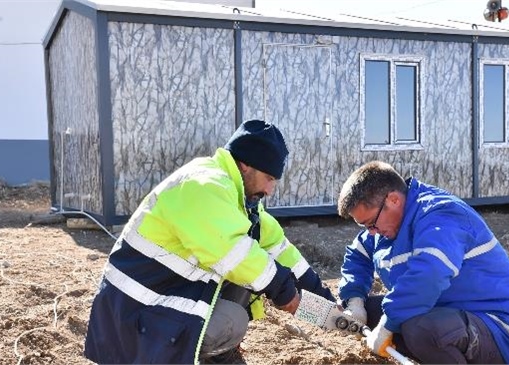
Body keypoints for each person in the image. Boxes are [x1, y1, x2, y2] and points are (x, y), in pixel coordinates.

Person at [84, 119, 335, 364]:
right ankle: (207, 357)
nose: (270, 190)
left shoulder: (242, 202)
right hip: (132, 317)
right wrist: (287, 295)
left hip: (160, 301)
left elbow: (283, 254)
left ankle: (216, 354)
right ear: (245, 165)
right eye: (269, 178)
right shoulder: (203, 185)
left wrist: (329, 309)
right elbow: (239, 258)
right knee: (233, 316)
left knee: (252, 273)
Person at [338, 161, 509, 364]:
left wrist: (387, 325)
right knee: (372, 311)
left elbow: (428, 275)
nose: (371, 231)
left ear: (394, 200)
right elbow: (358, 254)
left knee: (419, 328)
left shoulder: (441, 215)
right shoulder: (385, 225)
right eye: (365, 226)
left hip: (500, 329)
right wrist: (354, 301)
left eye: (371, 223)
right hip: (450, 318)